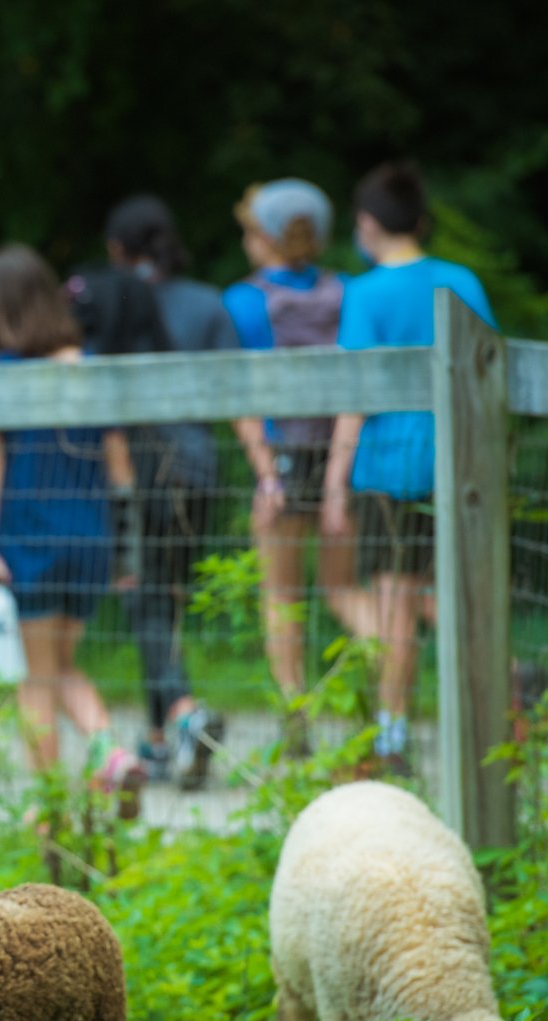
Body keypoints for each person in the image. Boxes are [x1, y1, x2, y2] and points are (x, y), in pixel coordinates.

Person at [320, 162, 495, 775]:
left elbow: (356, 397)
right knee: (444, 593)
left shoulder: (364, 294)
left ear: (367, 223)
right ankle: (498, 695)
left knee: (393, 605)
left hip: (389, 469)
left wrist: (333, 483)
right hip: (458, 463)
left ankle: (392, 731)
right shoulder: (462, 283)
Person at [0, 246, 145, 816]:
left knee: (34, 679)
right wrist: (124, 545)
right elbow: (120, 468)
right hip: (90, 539)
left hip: (29, 539)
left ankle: (50, 807)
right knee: (62, 665)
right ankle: (109, 754)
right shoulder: (90, 368)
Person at [99, 194, 232, 788]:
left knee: (142, 596)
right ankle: (159, 740)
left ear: (117, 250)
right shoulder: (208, 304)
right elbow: (242, 392)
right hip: (199, 469)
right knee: (165, 596)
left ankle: (182, 713)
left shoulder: (115, 302)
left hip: (140, 471)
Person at [221, 180, 355, 757]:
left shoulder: (245, 301)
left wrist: (265, 473)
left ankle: (294, 711)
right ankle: (373, 704)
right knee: (343, 588)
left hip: (282, 456)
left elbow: (242, 397)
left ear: (267, 238)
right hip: (342, 456)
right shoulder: (345, 292)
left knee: (280, 595)